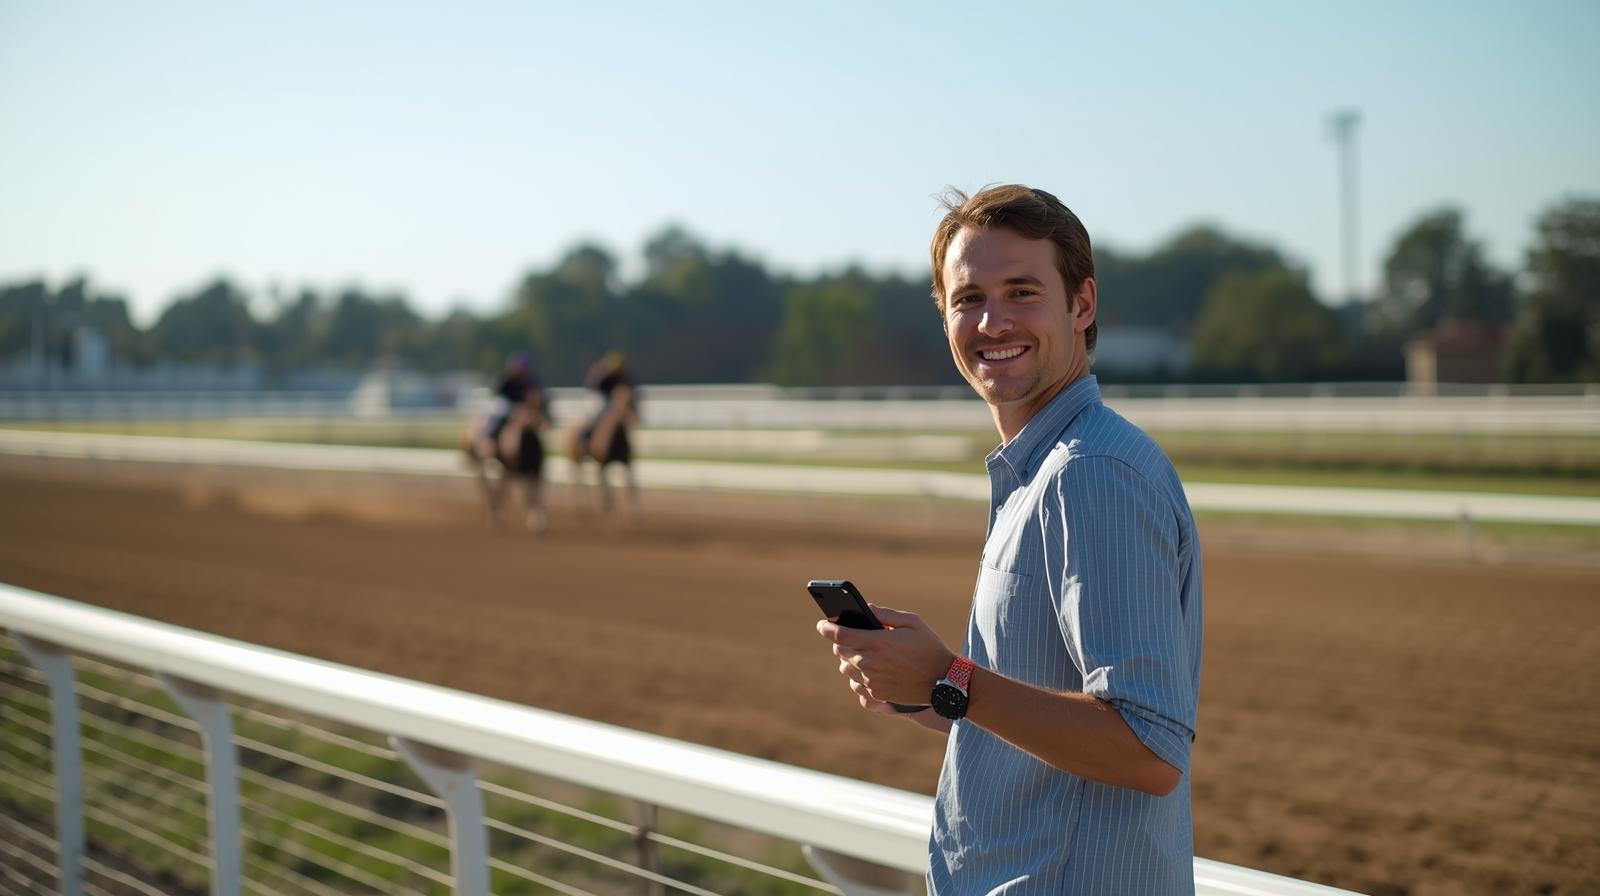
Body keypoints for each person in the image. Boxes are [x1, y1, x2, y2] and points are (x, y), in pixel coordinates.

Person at [816, 185, 1203, 894]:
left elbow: (1148, 750)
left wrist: (956, 679)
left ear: (1081, 306)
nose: (993, 321)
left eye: (1022, 292)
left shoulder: (1089, 475)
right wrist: (927, 685)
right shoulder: (1043, 470)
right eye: (968, 298)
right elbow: (1040, 727)